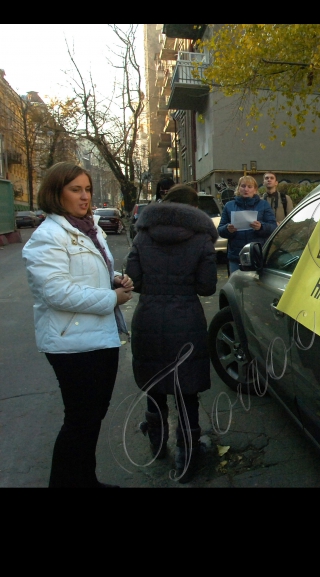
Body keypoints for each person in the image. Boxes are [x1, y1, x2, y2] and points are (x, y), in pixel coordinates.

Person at [22, 162, 134, 488]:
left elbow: (85, 274)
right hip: (72, 343)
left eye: (87, 189)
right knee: (80, 421)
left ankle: (86, 480)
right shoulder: (48, 236)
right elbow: (57, 292)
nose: (85, 196)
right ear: (56, 194)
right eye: (76, 189)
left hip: (99, 337)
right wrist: (112, 298)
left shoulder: (89, 228)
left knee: (91, 418)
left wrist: (113, 278)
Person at [126, 183, 218, 483]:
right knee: (186, 392)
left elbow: (135, 281)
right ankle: (187, 455)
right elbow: (207, 286)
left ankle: (157, 442)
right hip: (186, 320)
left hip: (149, 318)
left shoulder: (142, 235)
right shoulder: (202, 238)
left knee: (155, 386)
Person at [219, 175, 277, 274]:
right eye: (243, 186)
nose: (246, 189)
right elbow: (220, 230)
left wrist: (261, 227)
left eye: (250, 187)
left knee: (255, 286)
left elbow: (273, 227)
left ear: (255, 190)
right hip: (236, 256)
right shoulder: (229, 206)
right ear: (238, 188)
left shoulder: (263, 205)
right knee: (236, 287)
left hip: (257, 254)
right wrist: (227, 229)